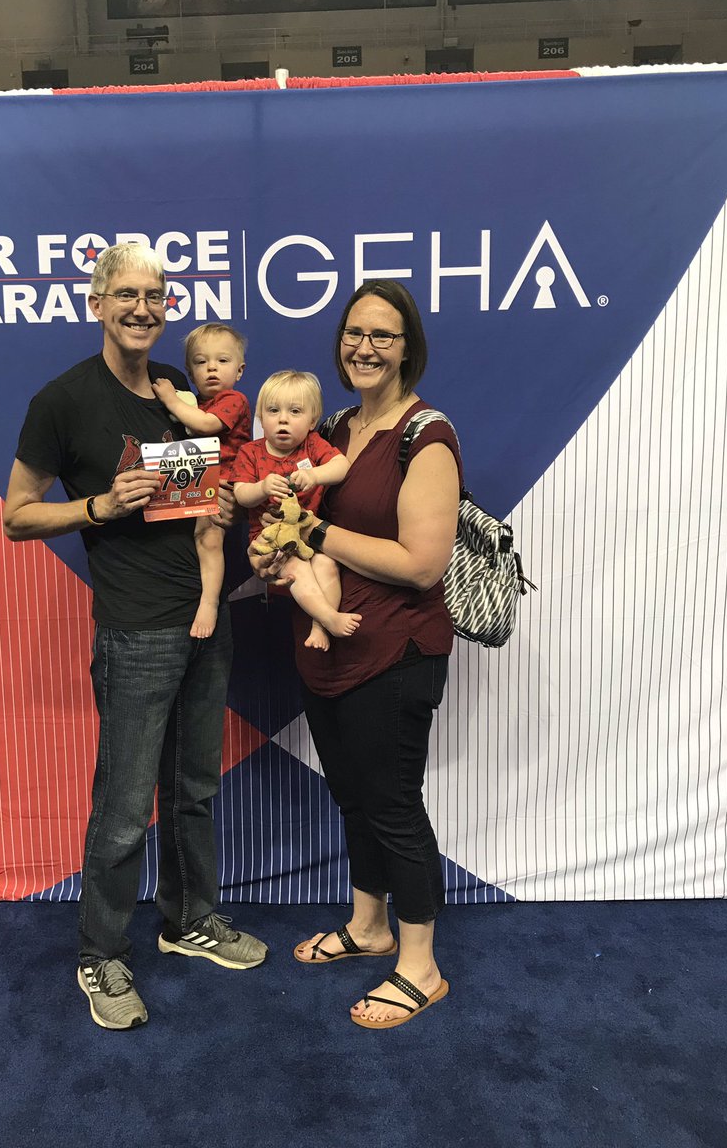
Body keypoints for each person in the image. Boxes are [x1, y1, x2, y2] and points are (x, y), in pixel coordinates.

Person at [3, 243, 267, 1033]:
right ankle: (100, 954)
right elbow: (17, 514)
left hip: (204, 618)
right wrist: (99, 507)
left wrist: (222, 506)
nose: (142, 308)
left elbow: (200, 491)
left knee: (193, 789)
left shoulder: (177, 388)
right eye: (126, 294)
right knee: (123, 808)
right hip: (134, 631)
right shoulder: (61, 400)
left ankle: (188, 921)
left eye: (155, 295)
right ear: (97, 304)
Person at [249, 281, 461, 1029]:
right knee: (353, 796)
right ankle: (369, 926)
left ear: (407, 348)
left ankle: (421, 964)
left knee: (393, 804)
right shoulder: (335, 425)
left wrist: (310, 533)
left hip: (395, 652)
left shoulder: (426, 435)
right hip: (328, 650)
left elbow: (422, 565)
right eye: (354, 334)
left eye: (382, 335)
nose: (364, 348)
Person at [231, 369, 361, 650]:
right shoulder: (251, 452)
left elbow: (341, 466)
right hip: (270, 539)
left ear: (312, 421)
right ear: (260, 418)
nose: (283, 419)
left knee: (327, 565)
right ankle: (328, 617)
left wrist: (315, 475)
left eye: (295, 411)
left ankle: (320, 625)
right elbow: (241, 495)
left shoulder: (312, 445)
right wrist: (262, 487)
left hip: (308, 535)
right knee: (295, 568)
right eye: (273, 410)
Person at [151, 322, 251, 639]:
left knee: (209, 539)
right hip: (197, 482)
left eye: (222, 360)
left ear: (239, 370)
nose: (211, 368)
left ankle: (209, 603)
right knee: (195, 538)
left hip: (225, 483)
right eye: (200, 361)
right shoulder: (195, 402)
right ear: (190, 372)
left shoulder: (234, 399)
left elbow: (206, 425)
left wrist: (171, 400)